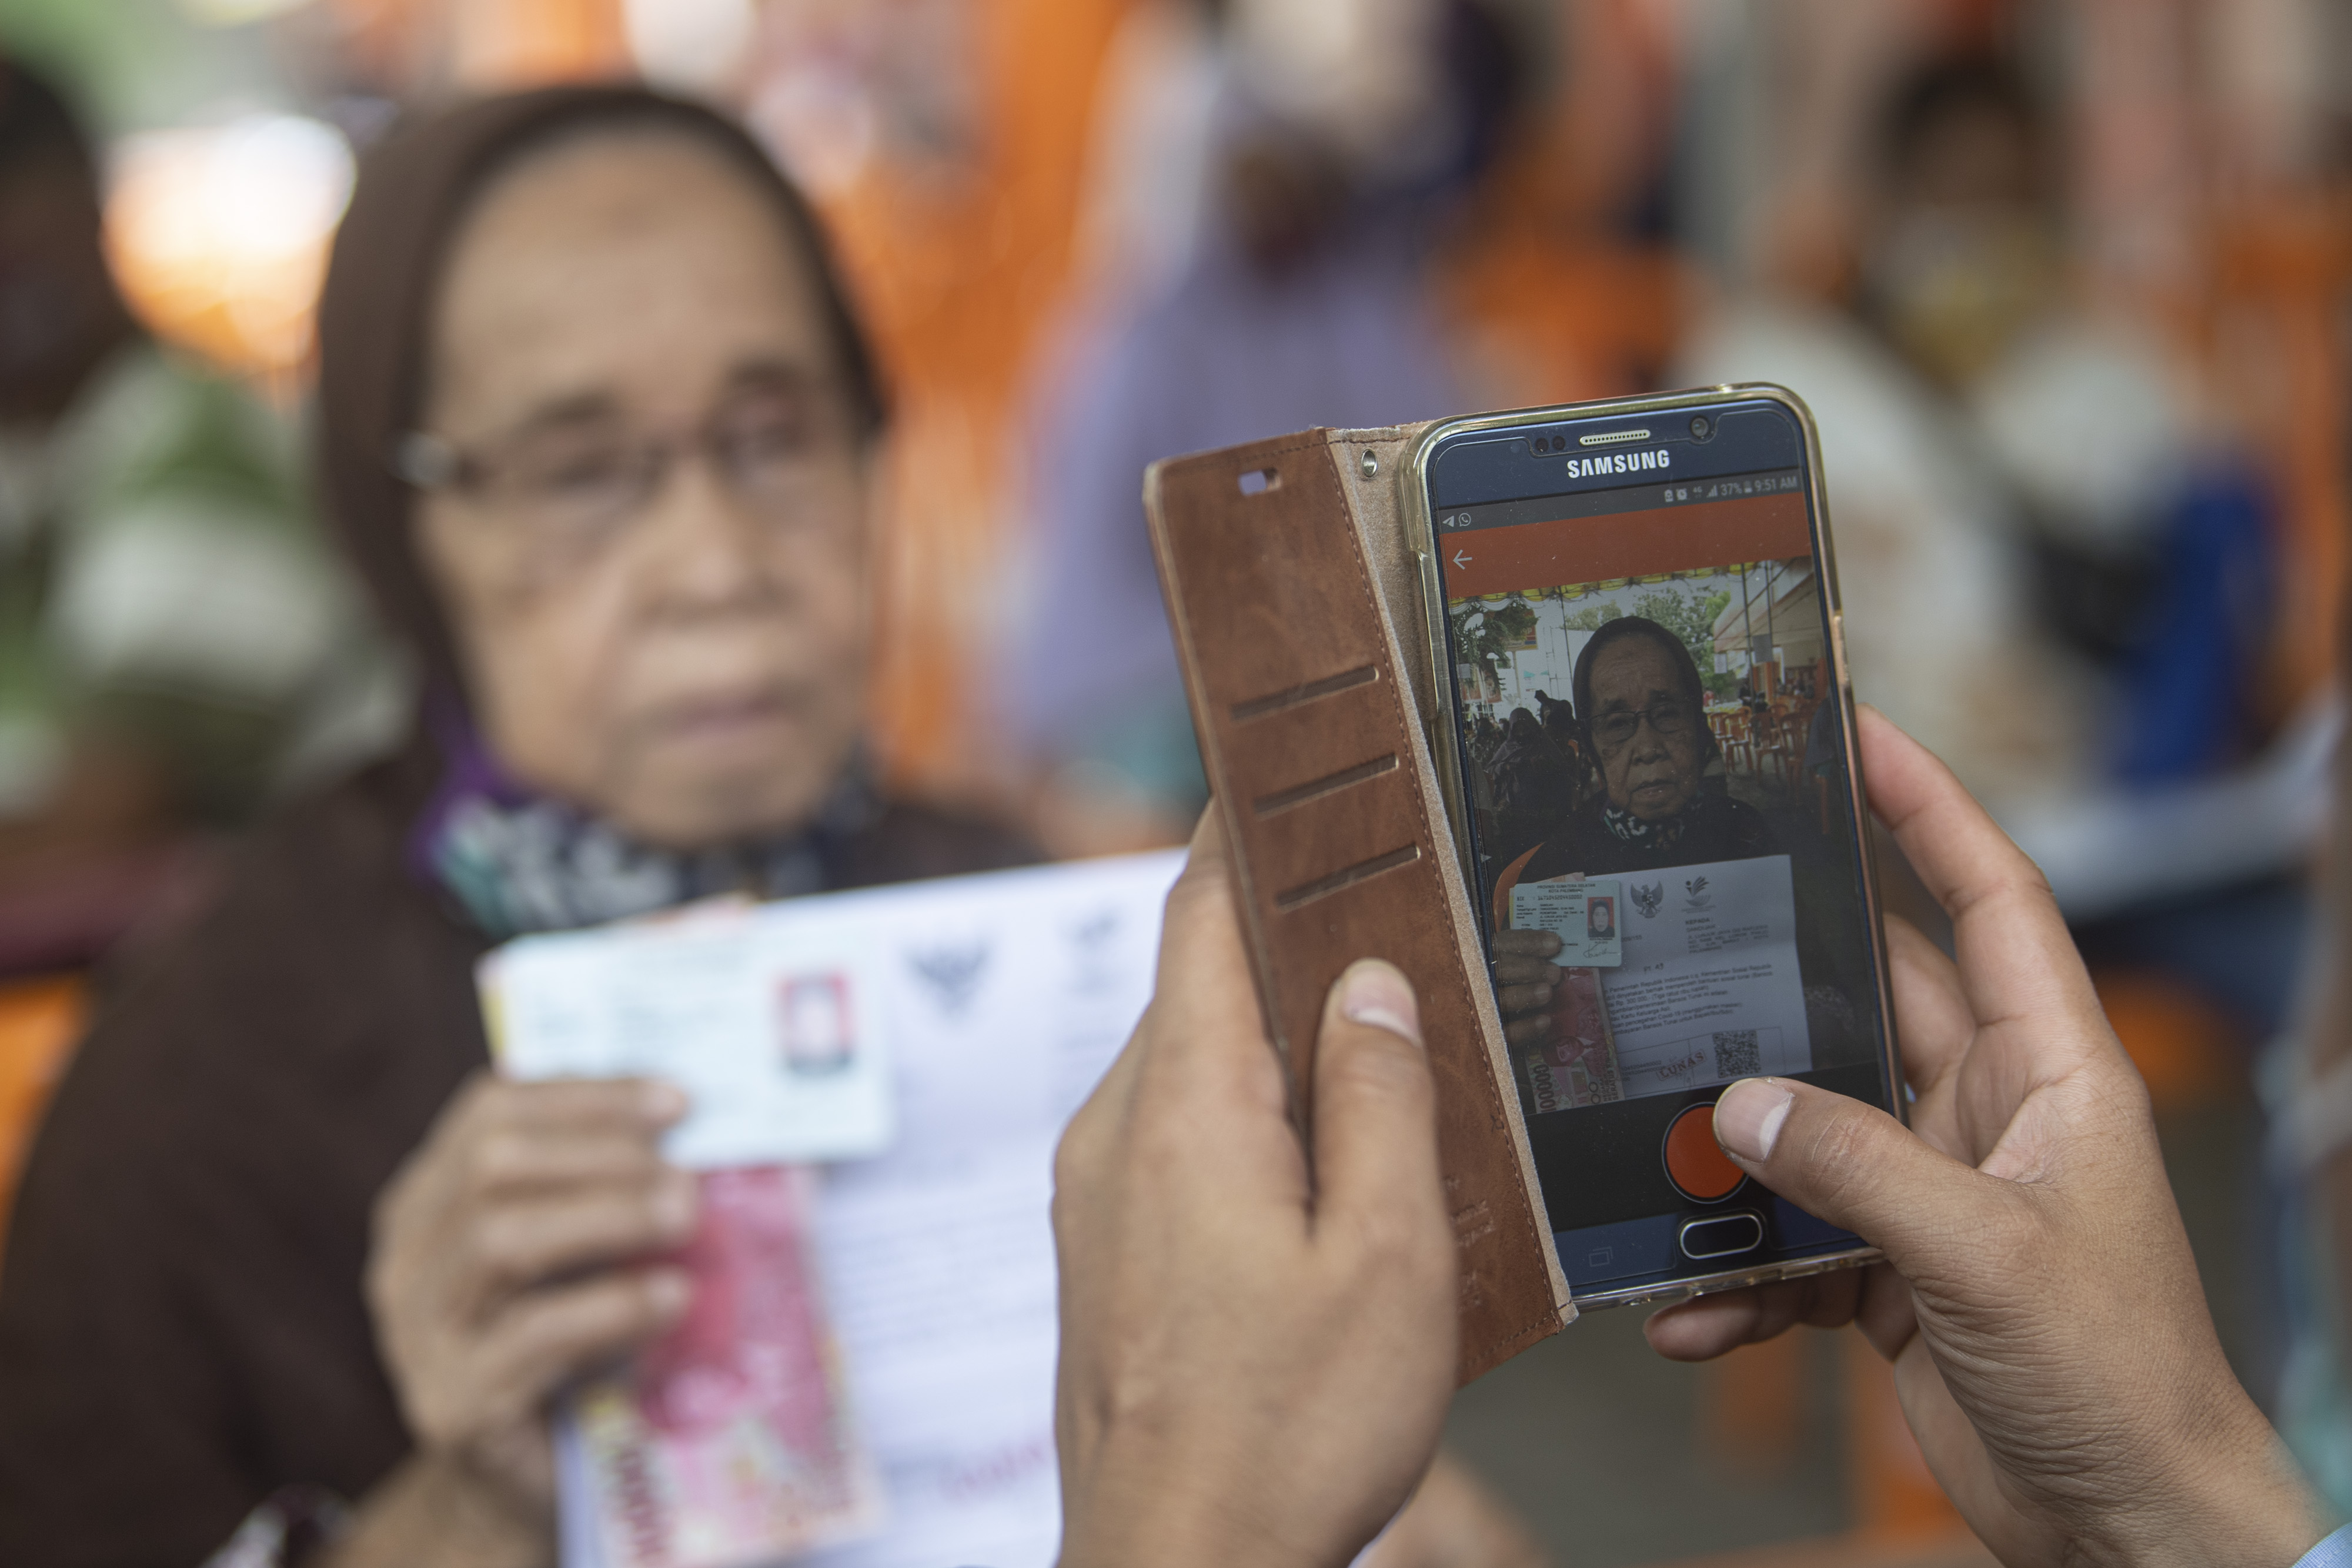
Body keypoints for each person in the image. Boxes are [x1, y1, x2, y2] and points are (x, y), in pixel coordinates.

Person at [0, 87, 1042, 1567]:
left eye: (775, 434)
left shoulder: (1032, 934)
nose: (714, 562)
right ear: (398, 528)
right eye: (579, 472)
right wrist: (471, 1506)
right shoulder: (187, 1106)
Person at [1051, 707, 2343, 1567]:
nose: (1646, 744)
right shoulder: (1537, 872)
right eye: (1613, 721)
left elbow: (1849, 1010)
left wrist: (1173, 1522)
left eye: (1661, 710)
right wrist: (2183, 1506)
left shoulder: (1769, 836)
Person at [0, 59, 387, 971]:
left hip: (255, 1008)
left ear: (91, 195)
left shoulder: (201, 454)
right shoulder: (47, 463)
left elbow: (109, 821)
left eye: (15, 190)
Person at [1502, 615, 1772, 892]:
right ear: (1593, 750)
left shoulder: (1745, 836)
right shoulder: (1559, 866)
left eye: (1667, 714)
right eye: (1617, 723)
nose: (1647, 749)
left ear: (1697, 727)